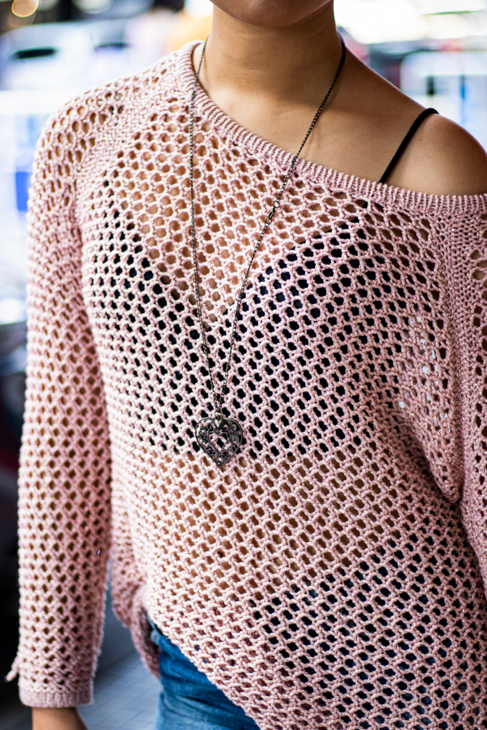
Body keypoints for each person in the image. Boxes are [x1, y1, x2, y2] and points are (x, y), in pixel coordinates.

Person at [9, 1, 487, 729]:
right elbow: (63, 430)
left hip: (403, 656)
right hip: (199, 666)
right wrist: (50, 690)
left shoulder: (435, 166)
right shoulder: (93, 134)